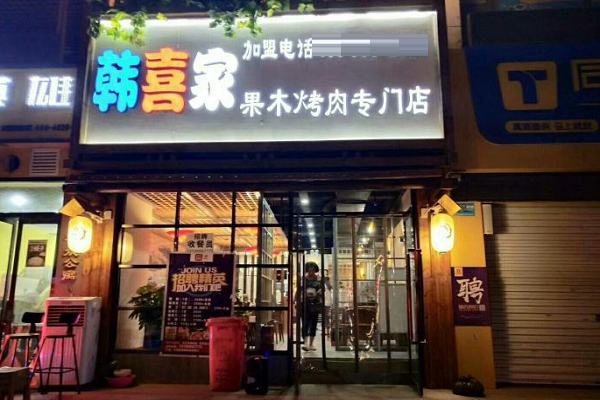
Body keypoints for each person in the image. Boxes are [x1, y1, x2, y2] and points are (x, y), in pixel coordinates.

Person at [299, 261, 322, 351]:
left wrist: (317, 293)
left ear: (315, 270)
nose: (311, 272)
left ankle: (311, 344)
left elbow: (322, 289)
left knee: (313, 324)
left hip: (315, 304)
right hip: (305, 303)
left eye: (312, 270)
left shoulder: (319, 279)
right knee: (305, 323)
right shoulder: (303, 279)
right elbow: (299, 290)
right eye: (309, 270)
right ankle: (305, 343)